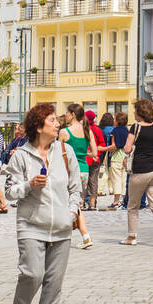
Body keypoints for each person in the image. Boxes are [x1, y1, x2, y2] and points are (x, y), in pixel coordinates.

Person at [4, 103, 81, 304]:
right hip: (31, 225)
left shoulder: (65, 152)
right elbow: (9, 192)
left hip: (61, 226)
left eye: (57, 120)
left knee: (54, 279)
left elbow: (75, 189)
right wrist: (29, 185)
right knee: (32, 274)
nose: (58, 124)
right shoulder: (22, 156)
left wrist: (70, 213)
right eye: (52, 121)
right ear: (38, 127)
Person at [119, 99, 153, 248]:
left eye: (135, 110)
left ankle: (131, 236)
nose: (134, 112)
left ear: (140, 113)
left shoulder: (135, 127)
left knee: (133, 206)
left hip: (140, 171)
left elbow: (127, 149)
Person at [62, 104, 93, 249]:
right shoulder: (87, 130)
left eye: (67, 113)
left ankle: (85, 235)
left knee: (70, 203)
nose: (65, 115)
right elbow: (94, 152)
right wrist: (81, 153)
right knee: (77, 202)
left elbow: (57, 151)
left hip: (69, 170)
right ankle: (84, 235)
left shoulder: (65, 132)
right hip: (84, 169)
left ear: (73, 114)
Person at [107, 112, 130, 210]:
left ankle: (116, 201)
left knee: (116, 179)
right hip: (125, 156)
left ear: (117, 121)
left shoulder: (114, 131)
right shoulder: (127, 131)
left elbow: (114, 146)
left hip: (116, 157)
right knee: (123, 179)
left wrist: (102, 148)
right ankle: (124, 200)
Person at [83, 109, 105, 210]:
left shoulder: (83, 129)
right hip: (95, 159)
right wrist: (97, 154)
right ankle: (92, 203)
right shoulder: (97, 130)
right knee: (93, 181)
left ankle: (82, 202)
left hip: (84, 158)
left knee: (83, 181)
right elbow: (102, 144)